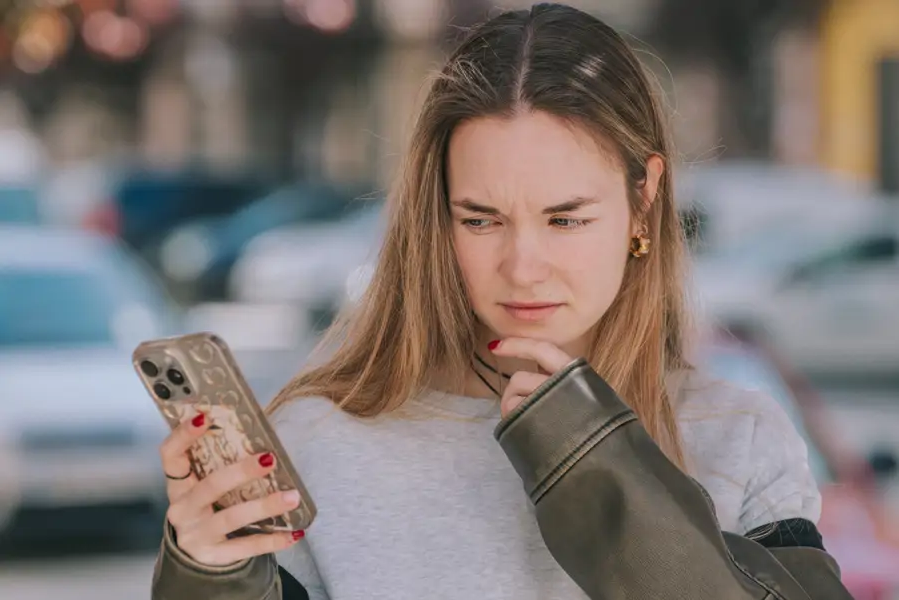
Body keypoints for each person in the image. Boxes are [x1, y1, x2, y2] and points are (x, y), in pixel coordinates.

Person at [151, 4, 853, 599]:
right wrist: (209, 575)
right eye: (481, 219)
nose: (522, 267)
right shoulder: (319, 441)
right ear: (438, 217)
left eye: (565, 218)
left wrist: (593, 460)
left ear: (644, 200)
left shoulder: (737, 436)